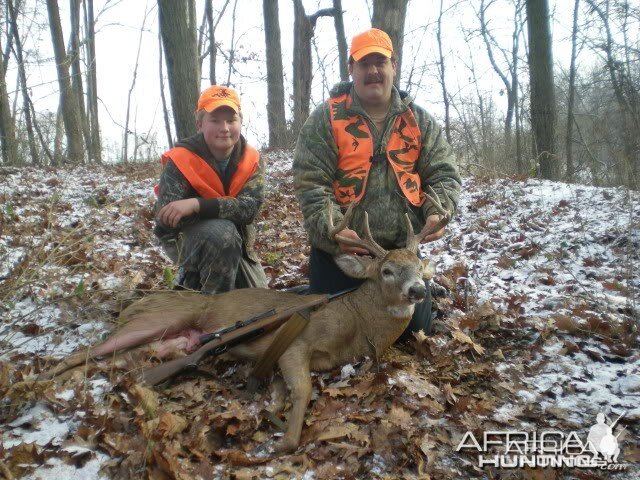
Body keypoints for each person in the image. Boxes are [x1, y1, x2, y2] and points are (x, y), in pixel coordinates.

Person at [293, 28, 461, 338]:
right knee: (332, 329)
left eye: (380, 62)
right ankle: (315, 290)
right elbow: (310, 182)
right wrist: (332, 227)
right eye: (364, 63)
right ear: (351, 69)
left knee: (414, 332)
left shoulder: (419, 120)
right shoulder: (325, 119)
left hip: (400, 254)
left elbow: (443, 175)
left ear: (393, 66)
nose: (373, 71)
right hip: (345, 252)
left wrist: (438, 210)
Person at [154, 85, 268, 293]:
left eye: (231, 120)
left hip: (240, 244)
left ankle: (201, 287)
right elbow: (167, 220)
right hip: (185, 241)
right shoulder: (180, 160)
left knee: (262, 300)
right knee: (221, 233)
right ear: (200, 124)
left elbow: (249, 209)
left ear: (240, 122)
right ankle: (212, 310)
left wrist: (196, 204)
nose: (224, 127)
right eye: (215, 120)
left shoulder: (252, 160)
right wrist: (218, 215)